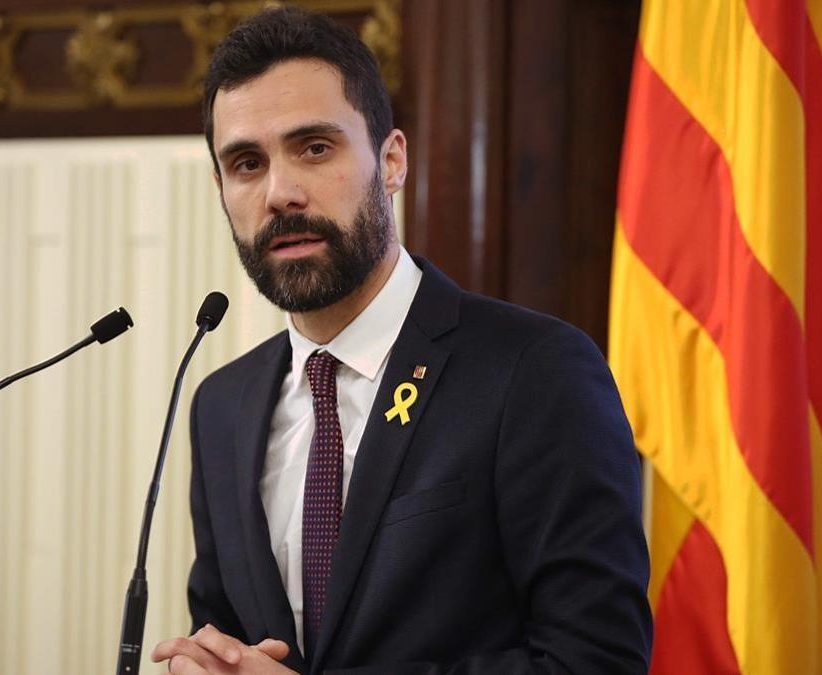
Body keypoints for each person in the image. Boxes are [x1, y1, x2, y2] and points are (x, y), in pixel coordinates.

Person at [152, 7, 651, 674]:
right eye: (246, 163)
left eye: (315, 148)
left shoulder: (534, 371)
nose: (280, 192)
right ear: (221, 188)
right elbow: (228, 633)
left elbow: (597, 659)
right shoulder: (222, 404)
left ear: (392, 161)